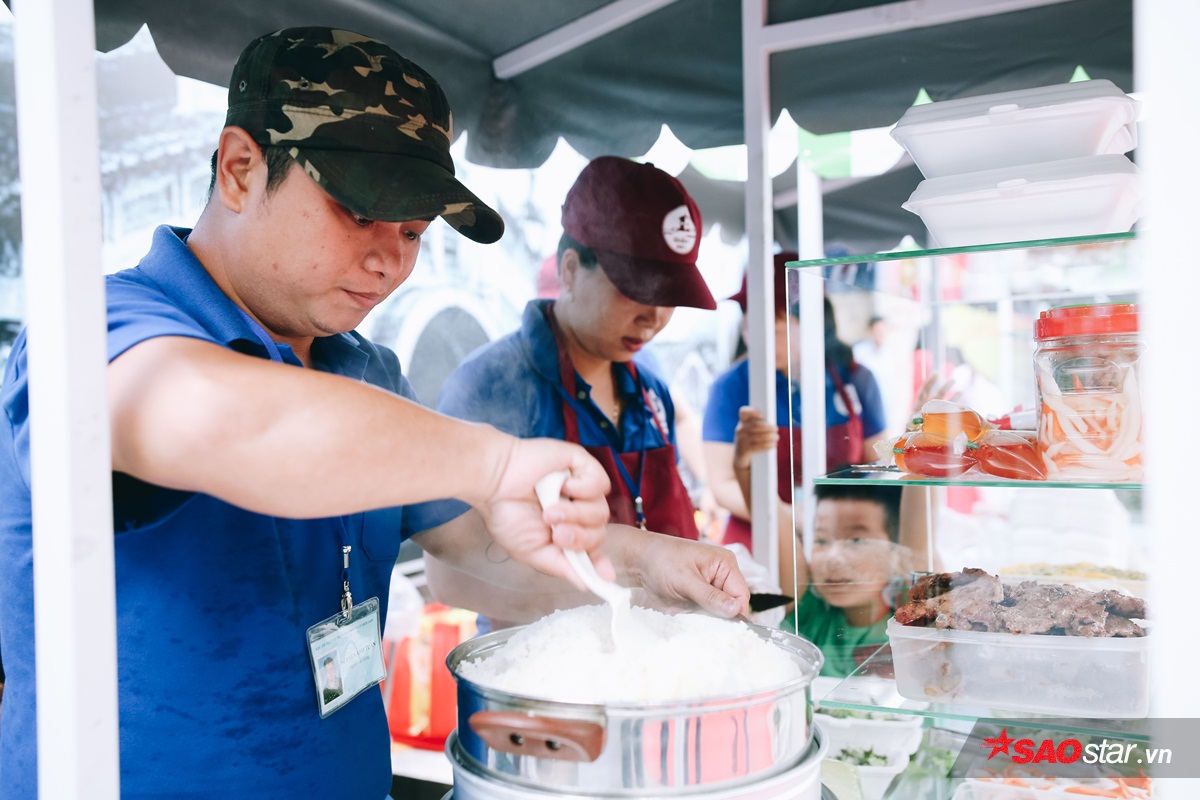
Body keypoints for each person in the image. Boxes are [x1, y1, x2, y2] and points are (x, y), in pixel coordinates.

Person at [0, 28, 747, 800]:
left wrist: (647, 562)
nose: (391, 260)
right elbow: (221, 420)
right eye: (360, 211)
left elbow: (479, 543)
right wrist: (492, 460)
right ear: (240, 169)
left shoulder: (366, 370)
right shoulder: (99, 330)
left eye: (414, 230)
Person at [429, 156, 727, 626]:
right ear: (570, 269)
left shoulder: (649, 387)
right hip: (543, 660)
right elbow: (450, 576)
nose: (654, 317)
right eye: (636, 289)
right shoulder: (493, 384)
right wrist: (628, 596)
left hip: (663, 652)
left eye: (669, 295)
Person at [701, 253, 888, 555]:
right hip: (757, 544)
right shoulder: (730, 387)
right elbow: (722, 483)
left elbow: (877, 463)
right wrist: (787, 516)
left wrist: (841, 517)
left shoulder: (855, 379)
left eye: (774, 331)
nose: (758, 341)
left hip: (839, 545)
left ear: (814, 325)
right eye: (750, 327)